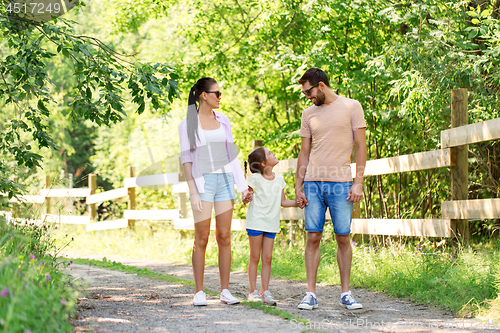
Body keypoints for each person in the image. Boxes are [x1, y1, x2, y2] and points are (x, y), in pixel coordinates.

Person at [294, 68, 367, 310]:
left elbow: (360, 146)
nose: (307, 96)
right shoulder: (308, 114)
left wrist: (358, 182)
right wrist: (299, 186)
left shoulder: (352, 107)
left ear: (321, 86)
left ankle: (345, 293)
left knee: (343, 237)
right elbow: (304, 153)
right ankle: (310, 294)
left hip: (342, 184)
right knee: (313, 236)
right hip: (313, 183)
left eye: (309, 91)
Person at [178, 77, 252, 306]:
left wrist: (243, 186)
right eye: (217, 93)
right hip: (203, 184)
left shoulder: (224, 120)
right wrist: (193, 192)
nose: (220, 97)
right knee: (201, 237)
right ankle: (199, 291)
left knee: (225, 237)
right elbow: (187, 160)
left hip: (225, 183)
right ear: (204, 95)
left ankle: (225, 290)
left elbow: (232, 155)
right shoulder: (188, 124)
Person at [244, 147, 298, 306]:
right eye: (269, 154)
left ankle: (265, 291)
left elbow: (283, 202)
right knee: (255, 257)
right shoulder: (255, 179)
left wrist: (298, 202)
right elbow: (246, 196)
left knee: (267, 258)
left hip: (271, 223)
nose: (273, 153)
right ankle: (253, 292)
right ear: (263, 163)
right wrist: (246, 198)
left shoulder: (280, 179)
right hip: (256, 221)